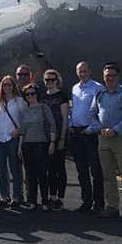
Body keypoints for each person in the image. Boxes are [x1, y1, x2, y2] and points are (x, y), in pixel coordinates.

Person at [91, 63, 122, 222]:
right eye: (107, 76)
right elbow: (93, 114)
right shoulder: (100, 95)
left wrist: (115, 130)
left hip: (121, 139)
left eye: (112, 75)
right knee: (107, 175)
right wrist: (100, 128)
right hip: (104, 139)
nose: (109, 78)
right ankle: (112, 206)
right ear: (103, 78)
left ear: (117, 77)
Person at [70, 61, 105, 212]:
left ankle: (99, 203)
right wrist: (71, 124)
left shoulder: (97, 87)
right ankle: (86, 201)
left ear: (90, 72)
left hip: (90, 132)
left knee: (96, 170)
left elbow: (101, 111)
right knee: (81, 170)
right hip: (77, 132)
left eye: (85, 71)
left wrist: (91, 129)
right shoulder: (74, 88)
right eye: (80, 71)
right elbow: (74, 109)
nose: (82, 74)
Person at [17, 83, 57, 211]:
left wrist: (52, 142)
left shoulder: (44, 108)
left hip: (41, 143)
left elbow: (52, 125)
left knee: (42, 173)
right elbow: (22, 131)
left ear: (37, 95)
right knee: (30, 174)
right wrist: (19, 147)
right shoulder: (25, 111)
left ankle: (45, 201)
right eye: (27, 94)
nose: (30, 96)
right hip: (27, 144)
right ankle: (32, 201)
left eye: (33, 93)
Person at [0, 75, 24, 207]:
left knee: (15, 168)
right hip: (0, 138)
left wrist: (19, 131)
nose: (7, 87)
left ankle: (17, 196)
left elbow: (24, 120)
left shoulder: (19, 102)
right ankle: (4, 196)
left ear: (13, 86)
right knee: (1, 169)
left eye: (9, 84)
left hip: (13, 138)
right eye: (4, 85)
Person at [41, 68, 70, 211]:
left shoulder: (62, 96)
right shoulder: (43, 97)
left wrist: (62, 138)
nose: (49, 82)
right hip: (46, 136)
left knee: (60, 167)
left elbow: (64, 118)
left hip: (59, 135)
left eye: (52, 79)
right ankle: (52, 196)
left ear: (57, 80)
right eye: (47, 80)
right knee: (50, 168)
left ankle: (61, 197)